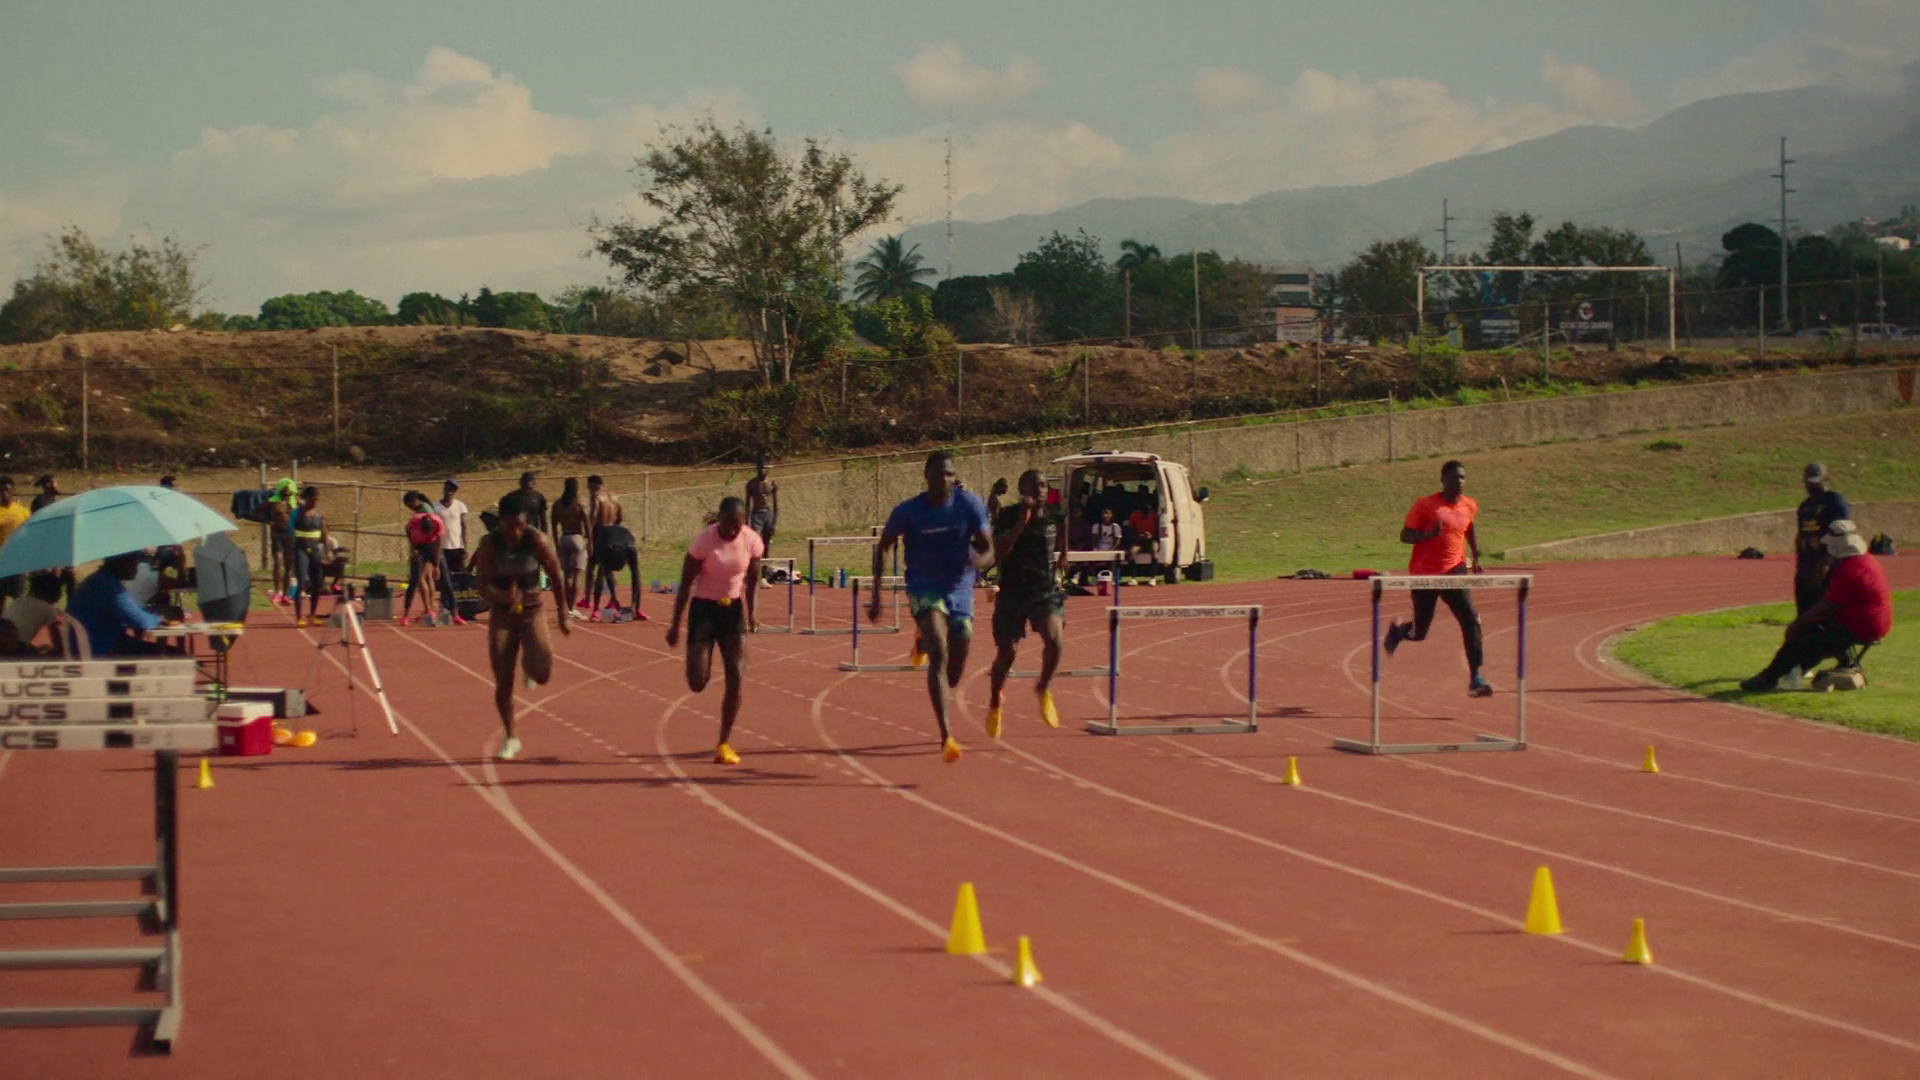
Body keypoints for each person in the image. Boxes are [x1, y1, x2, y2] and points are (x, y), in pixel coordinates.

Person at [872, 451, 992, 762]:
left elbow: (987, 547)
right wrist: (877, 594)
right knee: (940, 650)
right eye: (938, 474)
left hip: (960, 588)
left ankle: (922, 641)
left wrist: (980, 562)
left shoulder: (969, 504)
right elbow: (883, 547)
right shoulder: (909, 511)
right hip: (924, 587)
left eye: (949, 474)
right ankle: (946, 736)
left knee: (956, 664)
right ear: (926, 476)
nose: (944, 480)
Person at [666, 497, 765, 765]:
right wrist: (675, 624)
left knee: (736, 675)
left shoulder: (751, 540)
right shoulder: (703, 541)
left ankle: (724, 742)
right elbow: (685, 584)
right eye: (728, 524)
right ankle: (700, 662)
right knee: (697, 682)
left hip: (732, 611)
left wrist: (752, 612)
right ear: (718, 519)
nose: (732, 530)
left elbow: (753, 580)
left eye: (737, 525)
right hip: (704, 610)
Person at [474, 489, 571, 761]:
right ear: (501, 521)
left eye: (521, 524)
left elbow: (556, 575)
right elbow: (482, 585)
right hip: (502, 615)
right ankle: (510, 736)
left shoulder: (536, 540)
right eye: (511, 525)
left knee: (542, 673)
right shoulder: (490, 544)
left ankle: (529, 665)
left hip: (532, 610)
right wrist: (501, 596)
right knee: (503, 680)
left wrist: (563, 613)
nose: (516, 531)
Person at [1383, 460, 1493, 698]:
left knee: (1471, 619)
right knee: (1420, 632)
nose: (1459, 482)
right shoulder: (1426, 505)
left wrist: (1475, 555)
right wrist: (1428, 535)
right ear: (1443, 480)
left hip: (1455, 570)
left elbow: (1469, 527)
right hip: (1425, 574)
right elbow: (1405, 535)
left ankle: (1475, 678)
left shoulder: (1469, 505)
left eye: (1462, 477)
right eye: (1454, 477)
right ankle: (1400, 632)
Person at [1744, 521, 1892, 691]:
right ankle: (1793, 671)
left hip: (1863, 625)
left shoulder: (1850, 568)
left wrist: (1798, 623)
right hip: (1874, 622)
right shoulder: (1864, 560)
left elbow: (1828, 607)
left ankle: (1770, 677)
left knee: (1808, 636)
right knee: (1815, 634)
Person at [984, 470, 1067, 739]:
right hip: (1012, 593)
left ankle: (1043, 687)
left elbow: (1063, 527)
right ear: (1023, 491)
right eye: (1035, 486)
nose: (1041, 490)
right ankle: (995, 700)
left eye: (1044, 485)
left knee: (1055, 641)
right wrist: (1021, 522)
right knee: (1007, 654)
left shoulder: (1055, 513)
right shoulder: (1009, 515)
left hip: (1044, 591)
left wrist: (1064, 554)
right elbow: (998, 554)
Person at [67, 553, 169, 657]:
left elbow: (127, 615)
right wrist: (157, 619)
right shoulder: (110, 587)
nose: (136, 568)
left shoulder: (96, 580)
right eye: (133, 563)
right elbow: (143, 622)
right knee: (171, 654)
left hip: (86, 646)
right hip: (100, 650)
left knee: (159, 650)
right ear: (120, 564)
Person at [1794, 463, 1851, 614]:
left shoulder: (1835, 501)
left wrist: (1826, 562)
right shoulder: (1805, 506)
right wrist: (1799, 565)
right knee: (1804, 610)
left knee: (1824, 612)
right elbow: (1801, 535)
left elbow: (1843, 532)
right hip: (1806, 567)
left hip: (1828, 566)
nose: (1812, 485)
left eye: (1816, 481)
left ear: (1825, 479)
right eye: (1809, 481)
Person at [587, 475, 643, 621]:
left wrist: (589, 536)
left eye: (589, 486)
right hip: (618, 533)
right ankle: (633, 606)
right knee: (631, 572)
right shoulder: (614, 496)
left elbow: (593, 516)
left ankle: (594, 606)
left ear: (593, 485)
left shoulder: (595, 496)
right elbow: (620, 516)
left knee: (599, 570)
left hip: (600, 533)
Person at [399, 491, 449, 625]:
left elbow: (412, 531)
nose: (410, 508)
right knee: (428, 577)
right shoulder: (426, 511)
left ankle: (428, 610)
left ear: (415, 501)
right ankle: (429, 609)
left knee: (421, 579)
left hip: (425, 546)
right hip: (431, 546)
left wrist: (414, 548)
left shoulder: (423, 513)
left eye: (410, 505)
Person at [289, 485, 331, 627]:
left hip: (315, 550)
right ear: (305, 499)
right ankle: (299, 616)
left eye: (316, 500)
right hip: (300, 550)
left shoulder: (320, 514)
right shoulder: (296, 513)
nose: (314, 502)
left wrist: (327, 552)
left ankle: (313, 614)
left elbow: (325, 534)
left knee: (316, 584)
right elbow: (290, 534)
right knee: (301, 582)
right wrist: (290, 553)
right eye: (312, 500)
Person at [550, 477, 591, 619]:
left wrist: (556, 542)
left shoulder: (557, 504)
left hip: (564, 537)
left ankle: (568, 607)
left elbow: (553, 524)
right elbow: (587, 524)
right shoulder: (579, 504)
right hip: (577, 537)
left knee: (567, 575)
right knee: (577, 575)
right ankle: (572, 607)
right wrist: (590, 542)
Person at [0, 572, 63, 655]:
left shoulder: (19, 600)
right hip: (13, 644)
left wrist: (35, 649)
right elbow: (58, 643)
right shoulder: (48, 609)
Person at [0, 475, 29, 620]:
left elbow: (30, 535)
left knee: (19, 599)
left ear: (12, 491)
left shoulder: (22, 512)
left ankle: (19, 627)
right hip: (2, 562)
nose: (4, 493)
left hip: (18, 563)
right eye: (1, 490)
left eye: (7, 490)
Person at [265, 478, 296, 606]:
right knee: (277, 561)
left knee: (288, 564)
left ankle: (286, 594)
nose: (286, 495)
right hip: (277, 534)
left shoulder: (295, 504)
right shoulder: (273, 503)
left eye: (288, 493)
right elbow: (258, 509)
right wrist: (269, 520)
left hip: (290, 535)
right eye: (284, 493)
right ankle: (277, 591)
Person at [435, 479, 470, 574]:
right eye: (448, 488)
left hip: (457, 545)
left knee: (459, 573)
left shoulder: (460, 506)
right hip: (442, 546)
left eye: (453, 489)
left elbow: (463, 526)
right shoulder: (435, 507)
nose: (449, 491)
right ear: (444, 489)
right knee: (444, 573)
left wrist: (465, 546)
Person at [746, 459, 779, 543]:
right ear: (757, 469)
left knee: (767, 539)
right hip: (757, 513)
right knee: (756, 537)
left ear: (767, 469)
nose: (762, 470)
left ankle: (766, 551)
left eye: (764, 468)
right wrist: (747, 519)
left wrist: (774, 522)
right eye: (760, 468)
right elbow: (748, 503)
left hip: (768, 512)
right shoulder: (751, 484)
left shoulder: (773, 483)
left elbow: (776, 504)